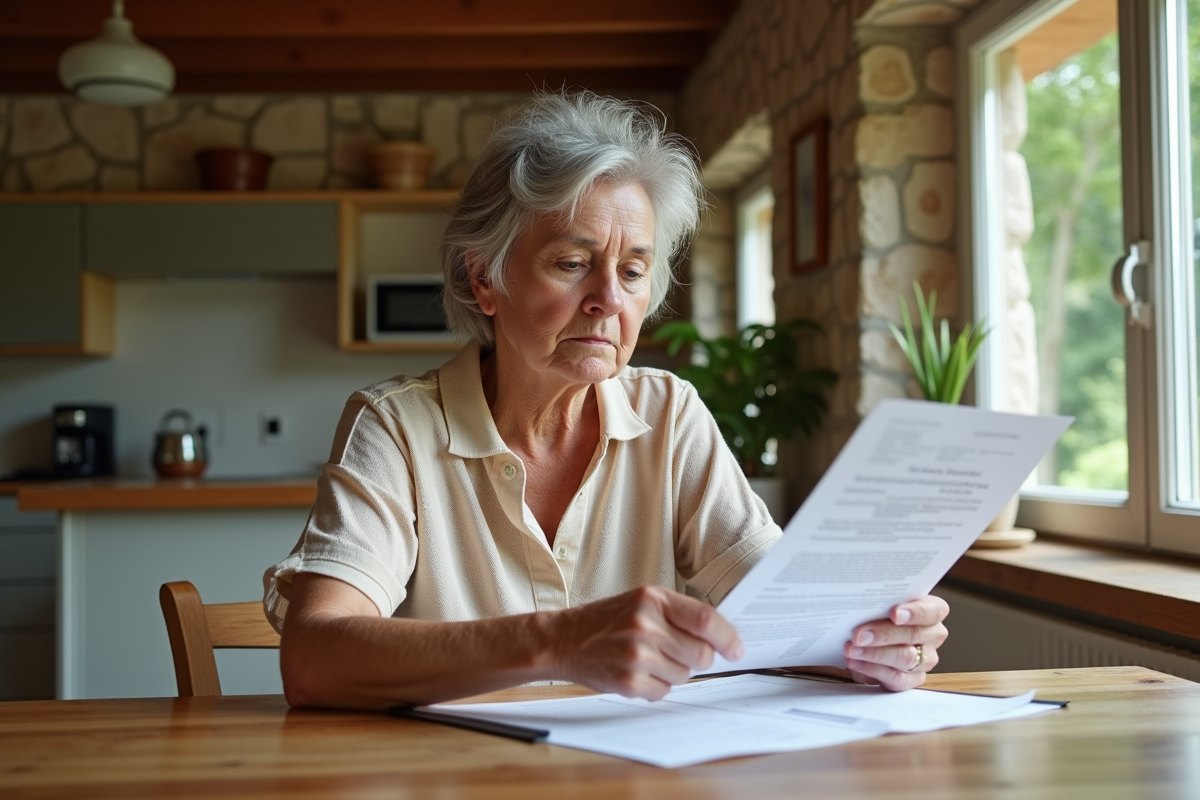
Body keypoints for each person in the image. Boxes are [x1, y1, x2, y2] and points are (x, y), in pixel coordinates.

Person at [263, 92, 949, 710]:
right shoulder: (398, 426)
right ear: (484, 280)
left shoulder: (669, 414)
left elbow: (790, 614)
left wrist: (874, 646)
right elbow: (315, 659)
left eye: (632, 271)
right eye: (571, 262)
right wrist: (559, 640)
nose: (608, 301)